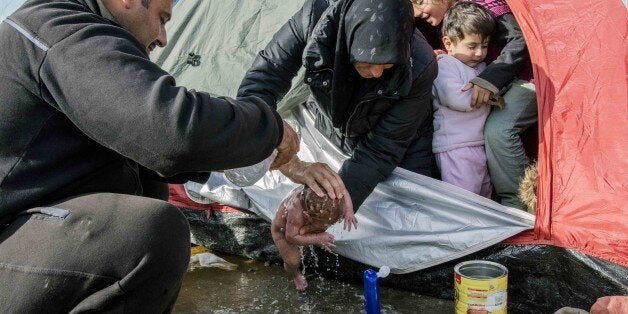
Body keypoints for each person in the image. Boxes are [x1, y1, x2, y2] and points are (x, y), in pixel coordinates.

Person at [0, 0, 299, 312]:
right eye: (162, 18)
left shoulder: (71, 33)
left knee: (147, 190)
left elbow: (146, 149)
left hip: (26, 231)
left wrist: (262, 160)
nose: (163, 37)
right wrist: (271, 128)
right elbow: (169, 129)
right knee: (147, 232)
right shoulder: (59, 29)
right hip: (9, 239)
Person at [238, 0, 439, 213]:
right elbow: (266, 75)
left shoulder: (420, 64)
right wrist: (265, 139)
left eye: (388, 64)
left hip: (403, 147)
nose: (378, 73)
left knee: (411, 214)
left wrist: (333, 205)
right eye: (367, 64)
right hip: (331, 127)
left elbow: (382, 149)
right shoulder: (315, 19)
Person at [412, 0, 537, 209]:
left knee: (498, 131)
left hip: (521, 79)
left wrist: (489, 80)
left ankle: (521, 206)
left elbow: (519, 39)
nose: (416, 12)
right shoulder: (444, 24)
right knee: (469, 195)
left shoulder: (484, 5)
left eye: (419, 1)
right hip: (460, 140)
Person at [431, 2, 496, 197]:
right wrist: (488, 95)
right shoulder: (445, 66)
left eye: (484, 46)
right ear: (449, 44)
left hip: (477, 144)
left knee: (485, 197)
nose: (479, 53)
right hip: (455, 146)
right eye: (472, 46)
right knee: (465, 201)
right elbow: (456, 98)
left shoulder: (482, 69)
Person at [271, 185, 357, 291]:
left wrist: (348, 210)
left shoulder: (331, 192)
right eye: (325, 224)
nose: (328, 226)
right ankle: (295, 274)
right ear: (307, 216)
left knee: (308, 236)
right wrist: (317, 237)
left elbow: (343, 190)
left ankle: (310, 235)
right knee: (293, 260)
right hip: (283, 232)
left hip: (299, 228)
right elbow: (291, 237)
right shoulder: (296, 213)